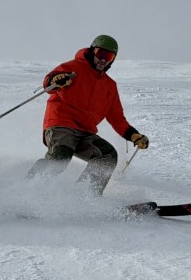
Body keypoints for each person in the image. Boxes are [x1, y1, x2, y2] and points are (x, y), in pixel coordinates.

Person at [27, 34, 149, 196]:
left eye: (109, 56)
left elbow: (117, 119)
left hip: (85, 132)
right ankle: (28, 191)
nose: (103, 60)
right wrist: (57, 80)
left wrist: (134, 136)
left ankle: (84, 197)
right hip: (62, 123)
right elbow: (49, 83)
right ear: (92, 51)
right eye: (101, 54)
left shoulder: (110, 86)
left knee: (107, 155)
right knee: (61, 154)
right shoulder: (73, 68)